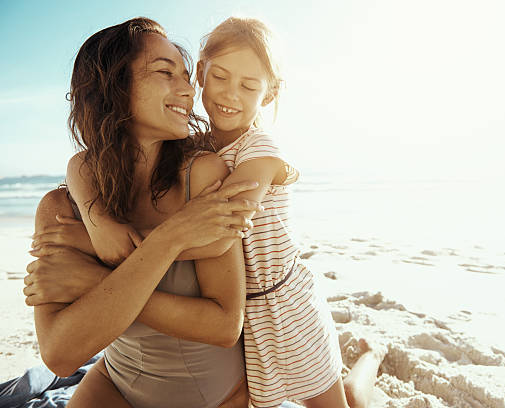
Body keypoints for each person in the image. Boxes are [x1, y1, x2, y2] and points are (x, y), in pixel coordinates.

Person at [56, 16, 388, 408]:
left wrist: (96, 247)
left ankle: (371, 359)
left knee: (341, 402)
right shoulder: (191, 144)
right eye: (220, 78)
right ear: (200, 73)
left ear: (269, 94)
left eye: (249, 86)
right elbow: (80, 166)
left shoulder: (260, 152)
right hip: (247, 311)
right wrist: (100, 224)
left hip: (283, 306)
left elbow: (218, 233)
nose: (231, 94)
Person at [24, 17, 265, 408]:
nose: (188, 91)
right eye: (165, 73)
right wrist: (170, 238)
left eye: (187, 76)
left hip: (214, 397)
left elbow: (224, 325)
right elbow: (60, 355)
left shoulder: (202, 176)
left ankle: (367, 361)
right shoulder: (63, 210)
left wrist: (94, 280)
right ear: (113, 89)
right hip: (114, 382)